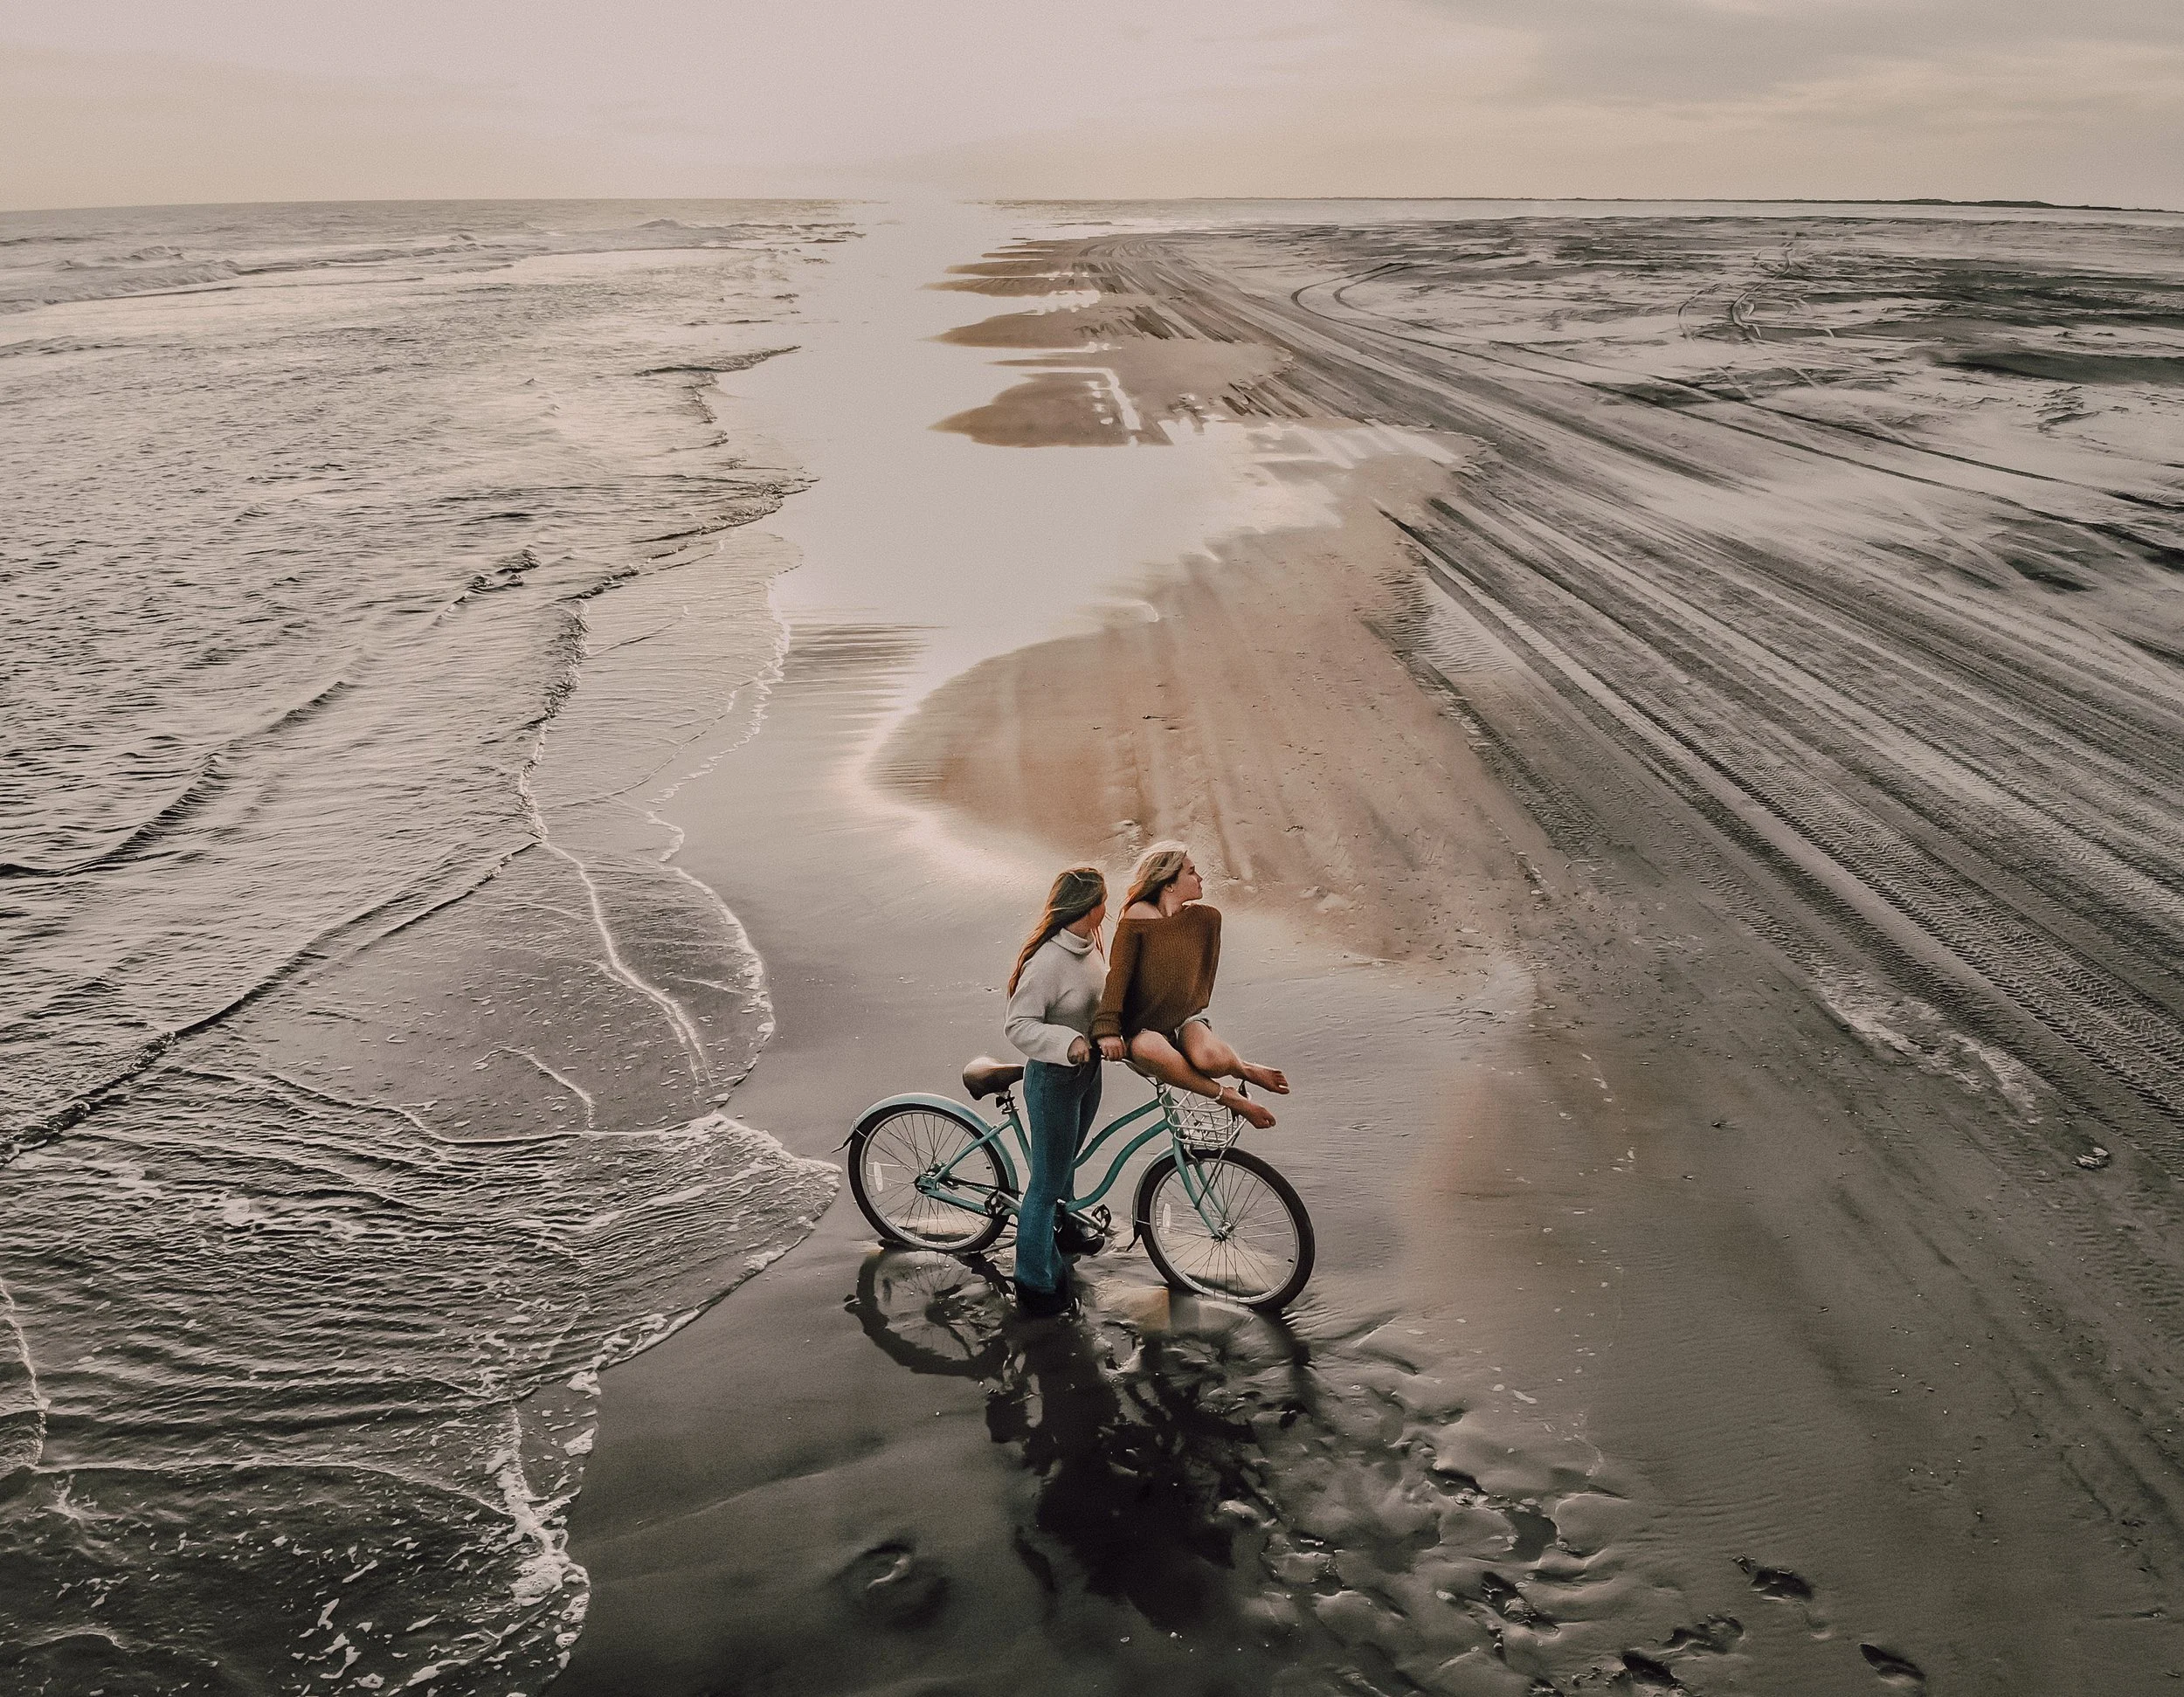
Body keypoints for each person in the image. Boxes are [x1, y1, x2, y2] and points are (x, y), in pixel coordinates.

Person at [1092, 841, 1288, 1129]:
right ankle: (1230, 1097)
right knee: (1150, 1047)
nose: (1200, 878)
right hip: (1142, 1032)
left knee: (1207, 1057)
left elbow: (1197, 982)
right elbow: (1117, 979)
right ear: (1168, 884)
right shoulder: (1136, 920)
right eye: (1192, 872)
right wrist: (1107, 1031)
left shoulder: (1205, 919)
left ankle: (1244, 1069)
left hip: (1185, 1022)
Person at [1004, 865, 1111, 1318]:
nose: (1109, 908)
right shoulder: (1048, 960)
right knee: (1045, 1184)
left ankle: (1063, 1231)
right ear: (1089, 908)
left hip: (1086, 1075)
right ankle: (1033, 1281)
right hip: (1052, 1079)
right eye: (1104, 901)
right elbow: (1018, 1025)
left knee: (1065, 1162)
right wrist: (1068, 1043)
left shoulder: (1090, 948)